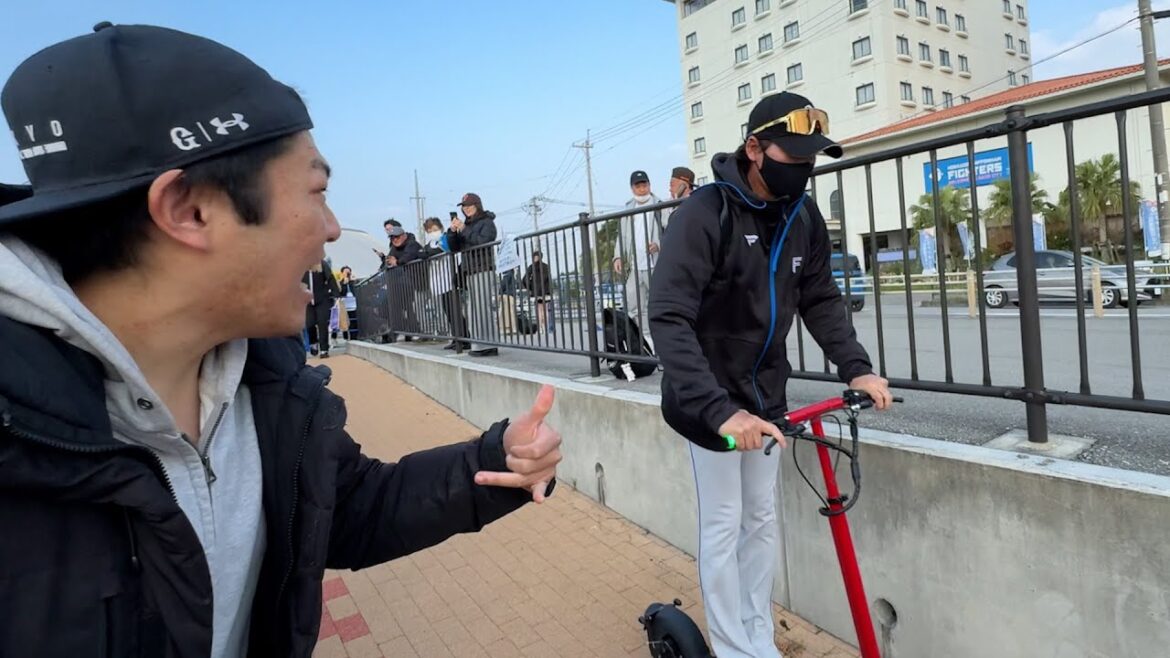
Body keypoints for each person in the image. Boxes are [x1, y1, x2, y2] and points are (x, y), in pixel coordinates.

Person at [0, 24, 561, 658]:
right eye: (317, 192)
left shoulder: (264, 377)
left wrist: (493, 463)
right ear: (189, 211)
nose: (329, 229)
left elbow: (343, 508)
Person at [648, 92, 893, 658]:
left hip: (766, 399)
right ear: (754, 149)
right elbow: (668, 317)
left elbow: (821, 298)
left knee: (761, 520)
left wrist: (857, 368)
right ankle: (733, 649)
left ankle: (759, 639)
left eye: (811, 159)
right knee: (724, 522)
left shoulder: (801, 215)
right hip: (707, 400)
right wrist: (719, 411)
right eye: (793, 156)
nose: (803, 170)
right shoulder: (705, 213)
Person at [446, 192, 499, 357]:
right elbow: (455, 248)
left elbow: (483, 241)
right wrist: (453, 232)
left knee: (483, 307)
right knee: (474, 308)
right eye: (464, 207)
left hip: (483, 268)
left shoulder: (487, 222)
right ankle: (479, 344)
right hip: (470, 270)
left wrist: (464, 229)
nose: (466, 209)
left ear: (477, 205)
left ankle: (489, 344)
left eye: (469, 206)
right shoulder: (466, 225)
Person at [615, 169, 666, 331]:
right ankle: (639, 339)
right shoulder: (628, 208)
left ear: (650, 185)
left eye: (644, 185)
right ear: (632, 188)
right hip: (635, 266)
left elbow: (669, 230)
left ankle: (659, 337)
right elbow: (621, 235)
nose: (642, 189)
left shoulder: (659, 205)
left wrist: (658, 244)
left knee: (658, 303)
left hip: (655, 264)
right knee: (632, 305)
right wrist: (617, 257)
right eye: (638, 186)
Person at [303, 258, 340, 357]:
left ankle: (324, 349)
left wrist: (336, 294)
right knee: (309, 323)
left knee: (322, 322)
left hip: (322, 299)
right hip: (307, 301)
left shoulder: (321, 264)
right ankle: (313, 343)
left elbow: (330, 278)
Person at [523, 250, 553, 334]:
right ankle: (546, 327)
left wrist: (530, 287)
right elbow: (548, 279)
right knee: (545, 309)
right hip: (545, 292)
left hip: (536, 292)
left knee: (539, 309)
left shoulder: (531, 267)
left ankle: (540, 327)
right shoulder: (546, 266)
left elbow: (524, 279)